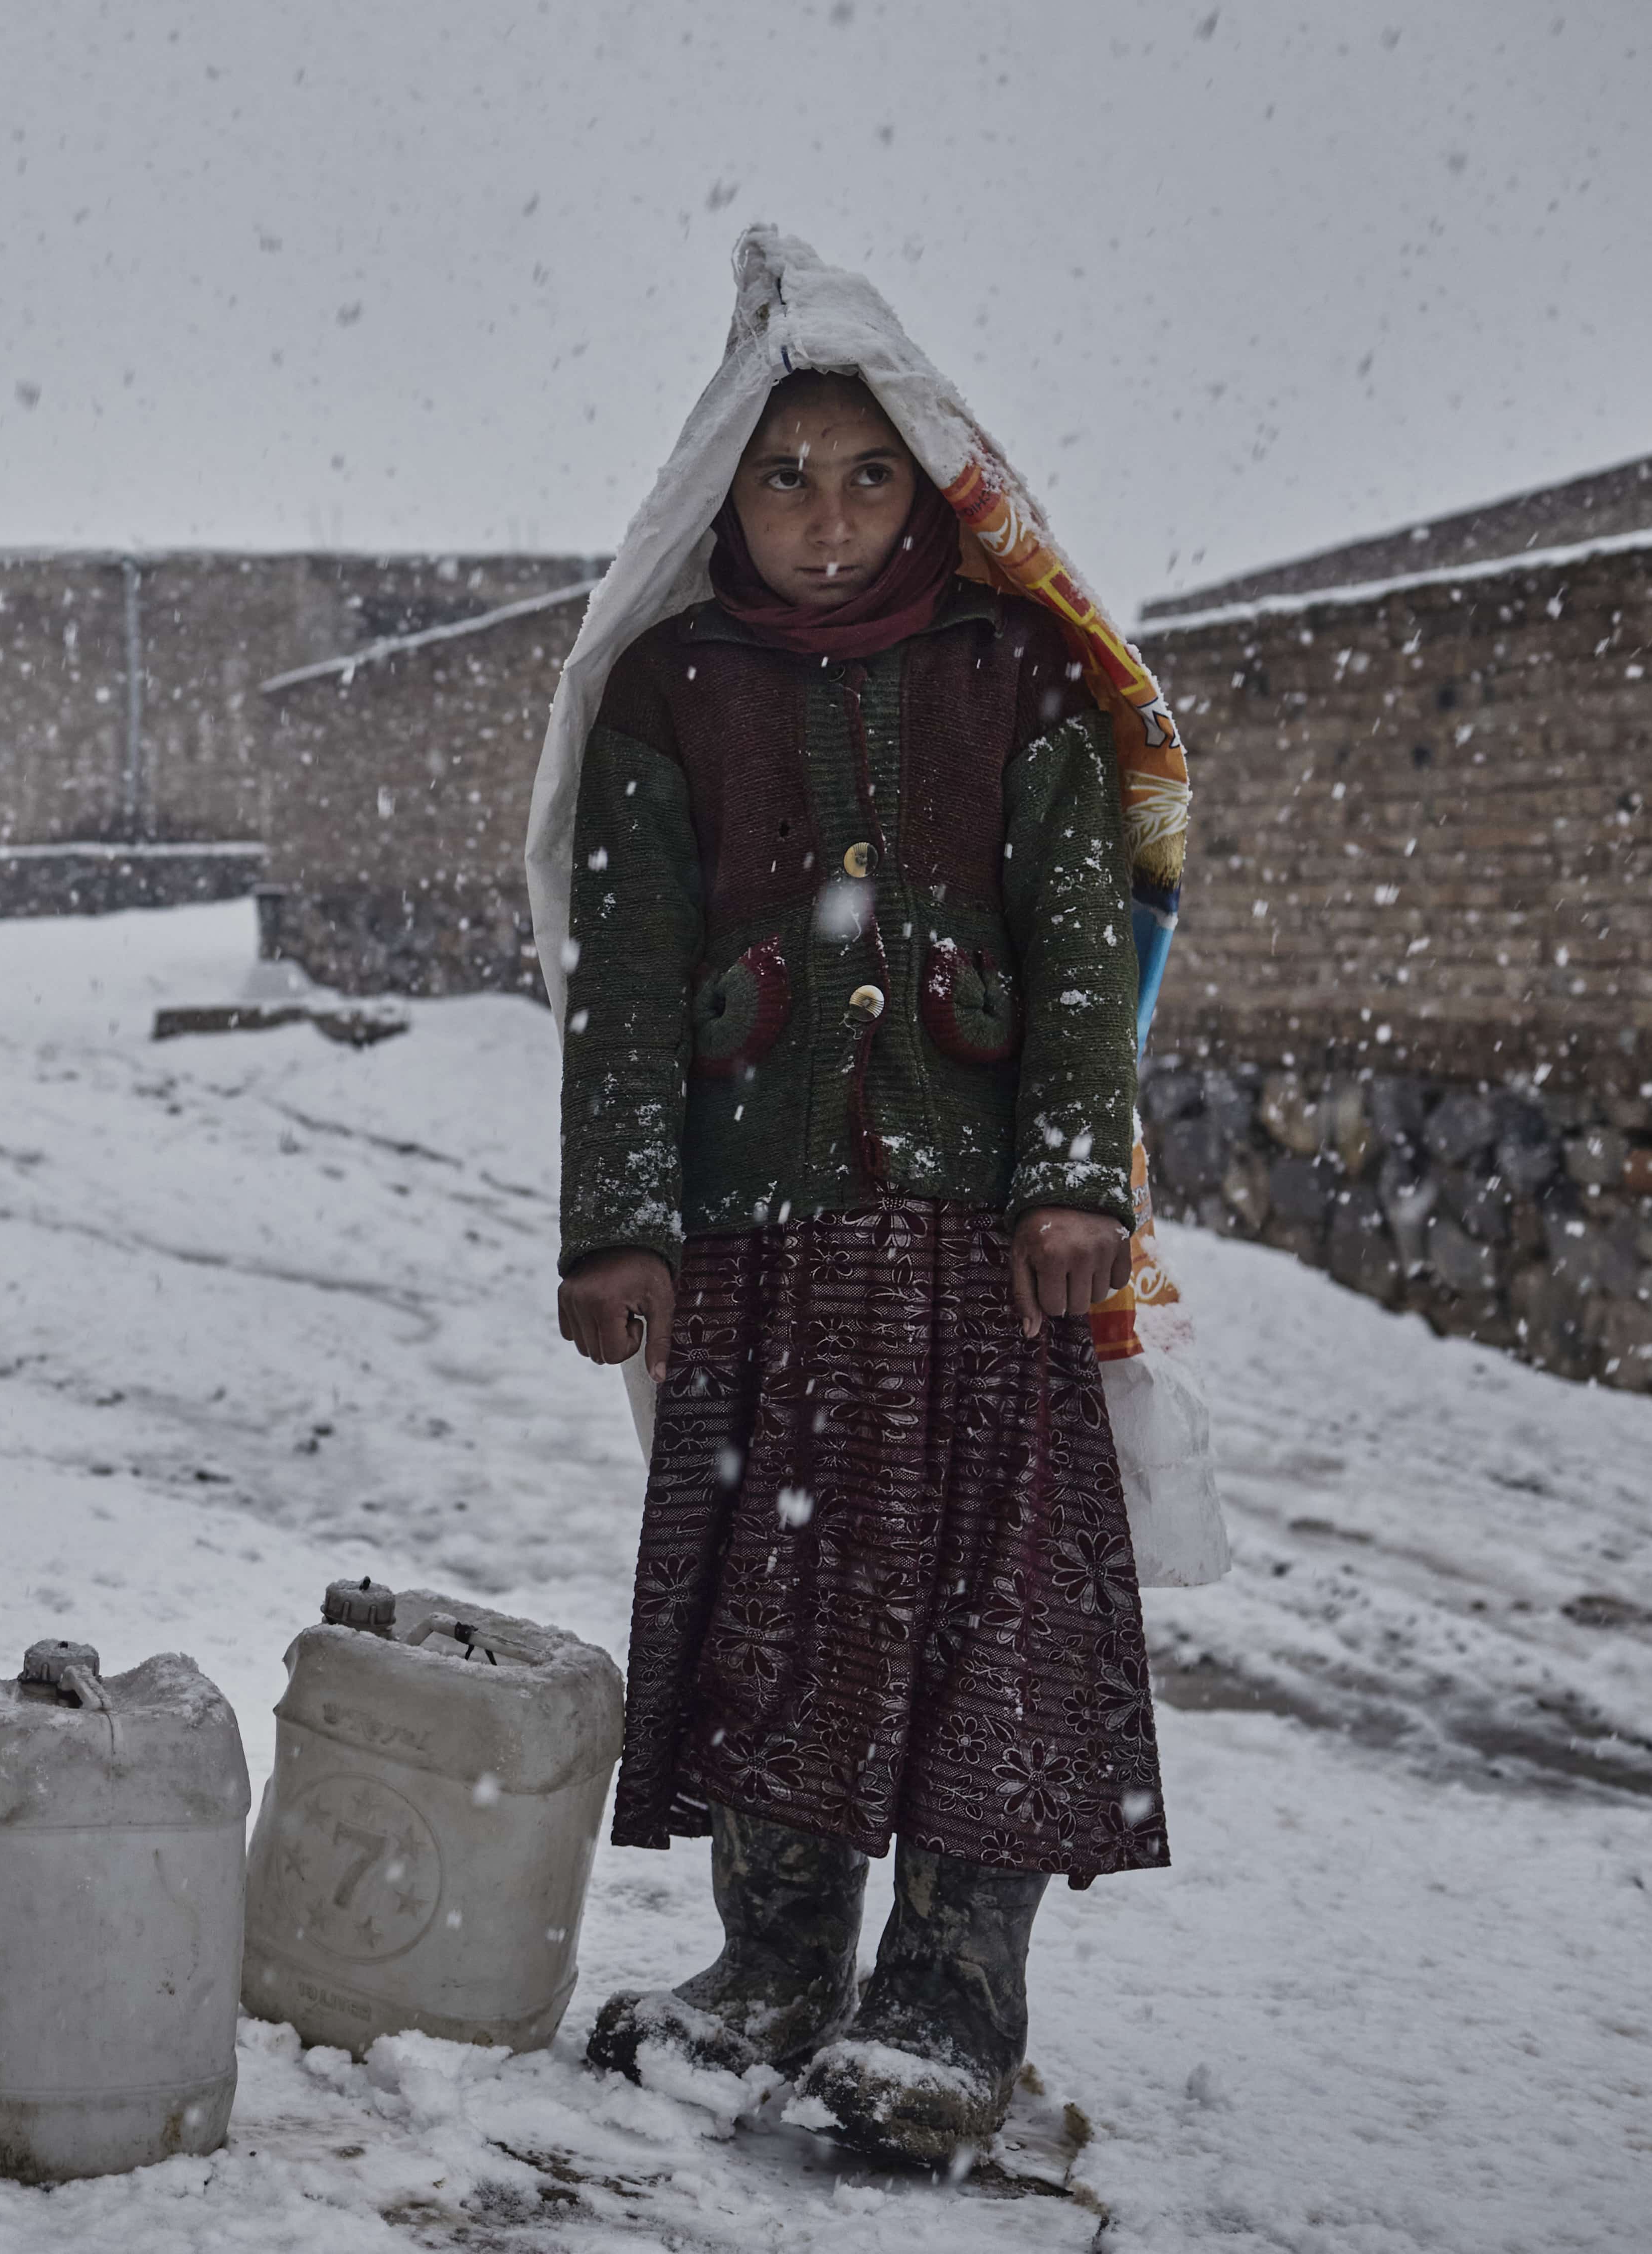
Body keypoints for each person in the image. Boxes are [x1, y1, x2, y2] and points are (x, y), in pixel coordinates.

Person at [543, 259, 1171, 2167]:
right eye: (785, 477)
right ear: (722, 496)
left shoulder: (1016, 674)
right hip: (762, 1245)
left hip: (984, 1256)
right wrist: (622, 1219)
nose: (826, 519)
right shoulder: (672, 690)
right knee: (775, 1608)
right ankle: (776, 1971)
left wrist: (1073, 1180)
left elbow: (1082, 948)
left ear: (930, 484)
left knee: (1000, 1621)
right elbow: (626, 974)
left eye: (868, 475)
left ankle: (949, 2008)